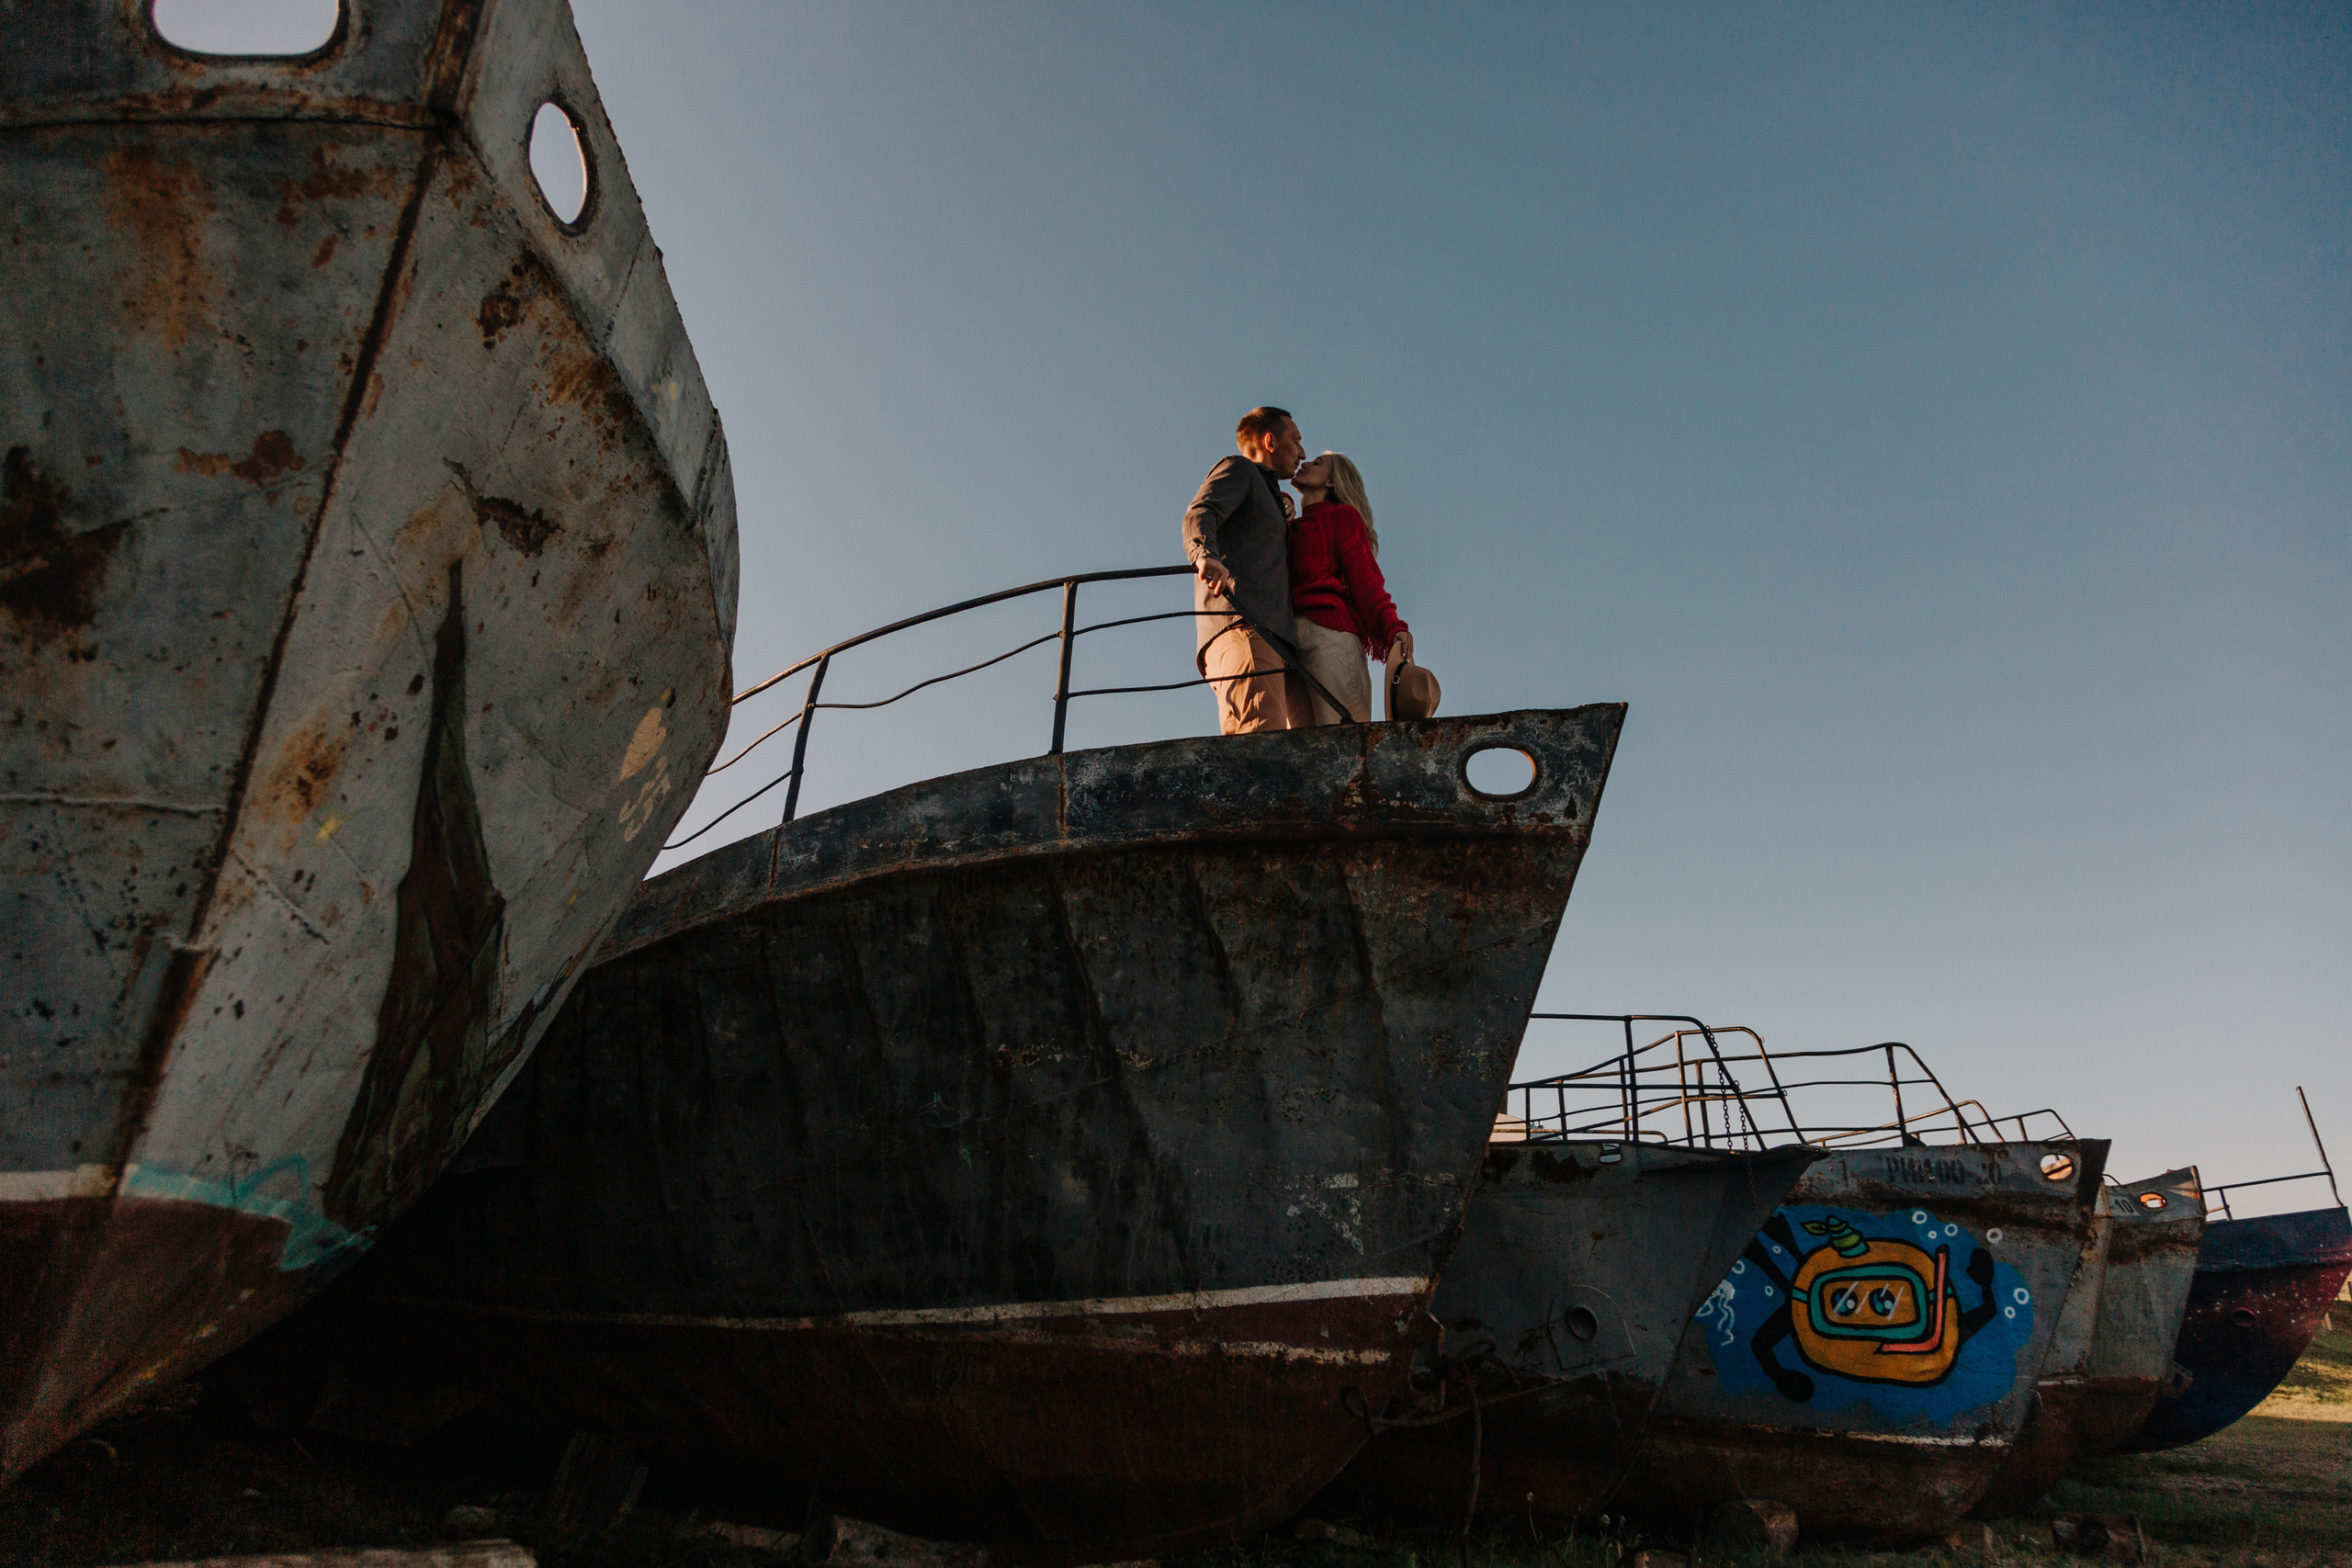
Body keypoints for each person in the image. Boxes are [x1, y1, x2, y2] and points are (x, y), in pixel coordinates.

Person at [1181, 407, 1313, 734]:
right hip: (1246, 628)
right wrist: (1205, 555)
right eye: (1296, 441)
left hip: (1260, 635)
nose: (1302, 453)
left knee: (1251, 746)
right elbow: (1201, 511)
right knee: (1261, 741)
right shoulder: (1241, 469)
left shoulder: (1268, 494)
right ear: (1270, 441)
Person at [1286, 451, 1411, 725]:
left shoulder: (1342, 517)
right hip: (1287, 643)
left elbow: (1367, 582)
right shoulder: (1289, 527)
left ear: (1331, 481)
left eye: (1318, 463)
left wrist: (1393, 626)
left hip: (1330, 638)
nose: (1306, 463)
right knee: (1299, 743)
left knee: (1344, 736)